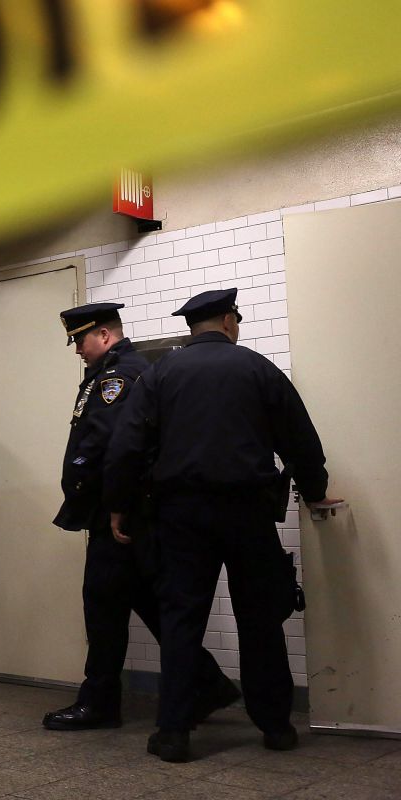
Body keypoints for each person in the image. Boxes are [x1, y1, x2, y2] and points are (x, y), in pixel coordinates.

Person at [105, 288, 342, 763]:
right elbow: (300, 438)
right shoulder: (258, 369)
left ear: (194, 328)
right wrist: (314, 492)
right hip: (248, 511)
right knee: (260, 618)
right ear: (229, 321)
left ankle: (173, 732)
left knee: (180, 620)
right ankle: (275, 727)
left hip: (181, 515)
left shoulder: (161, 373)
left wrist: (118, 504)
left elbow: (127, 444)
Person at [44, 304, 239, 732]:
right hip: (125, 510)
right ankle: (207, 683)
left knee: (103, 607)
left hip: (117, 513)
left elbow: (115, 446)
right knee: (143, 600)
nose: (77, 349)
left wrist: (115, 507)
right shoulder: (120, 371)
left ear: (104, 336)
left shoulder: (118, 377)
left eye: (80, 339)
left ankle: (99, 703)